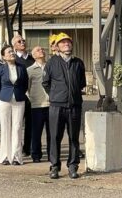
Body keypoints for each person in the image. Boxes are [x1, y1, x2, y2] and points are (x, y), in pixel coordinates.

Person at [42, 32, 86, 179]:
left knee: (74, 137)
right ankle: (54, 167)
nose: (67, 44)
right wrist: (55, 95)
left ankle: (73, 166)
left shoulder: (78, 62)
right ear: (58, 46)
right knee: (55, 137)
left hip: (74, 106)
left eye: (69, 42)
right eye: (63, 43)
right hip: (56, 106)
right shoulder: (52, 62)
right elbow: (45, 83)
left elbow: (81, 83)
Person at [0, 45, 29, 165]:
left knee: (17, 127)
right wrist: (2, 95)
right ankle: (4, 157)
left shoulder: (22, 68)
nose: (12, 53)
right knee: (5, 128)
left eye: (12, 51)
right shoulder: (0, 69)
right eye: (9, 52)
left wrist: (19, 93)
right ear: (4, 56)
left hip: (19, 99)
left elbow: (25, 84)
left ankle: (16, 157)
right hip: (4, 100)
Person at [12, 35, 34, 157]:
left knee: (31, 123)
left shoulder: (32, 59)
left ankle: (28, 147)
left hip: (32, 97)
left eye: (23, 40)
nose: (22, 42)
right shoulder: (13, 60)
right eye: (19, 41)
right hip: (18, 96)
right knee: (17, 124)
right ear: (14, 45)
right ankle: (16, 147)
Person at [27, 46, 50, 163]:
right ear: (34, 56)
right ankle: (36, 155)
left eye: (42, 49)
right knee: (36, 132)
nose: (41, 51)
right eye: (37, 50)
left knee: (52, 132)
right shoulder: (30, 70)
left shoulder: (50, 67)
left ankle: (52, 154)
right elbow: (27, 88)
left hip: (51, 104)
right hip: (37, 105)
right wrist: (31, 98)